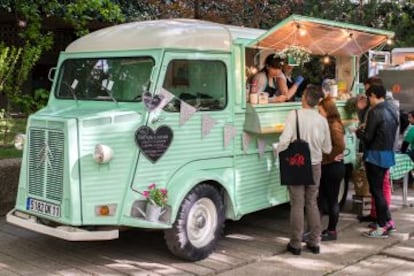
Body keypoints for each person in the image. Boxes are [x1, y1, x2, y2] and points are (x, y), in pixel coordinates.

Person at [277, 85, 332, 255]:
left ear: (304, 97)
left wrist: (278, 150)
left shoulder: (294, 115)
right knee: (312, 203)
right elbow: (328, 148)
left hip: (297, 164)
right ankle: (314, 242)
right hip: (315, 165)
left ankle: (295, 244)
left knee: (297, 204)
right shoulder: (322, 120)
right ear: (317, 101)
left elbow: (285, 140)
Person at [356, 84, 399, 238]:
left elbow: (368, 138)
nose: (369, 101)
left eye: (369, 97)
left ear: (373, 95)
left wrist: (359, 132)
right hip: (387, 153)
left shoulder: (375, 111)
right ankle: (388, 222)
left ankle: (381, 227)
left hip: (374, 155)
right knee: (380, 189)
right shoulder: (392, 108)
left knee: (377, 191)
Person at [317, 96, 345, 241]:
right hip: (329, 167)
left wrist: (329, 157)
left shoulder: (333, 125)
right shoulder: (329, 123)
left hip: (332, 168)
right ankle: (317, 230)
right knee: (321, 199)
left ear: (327, 111)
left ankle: (332, 231)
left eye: (320, 110)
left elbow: (340, 146)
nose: (318, 113)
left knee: (331, 200)